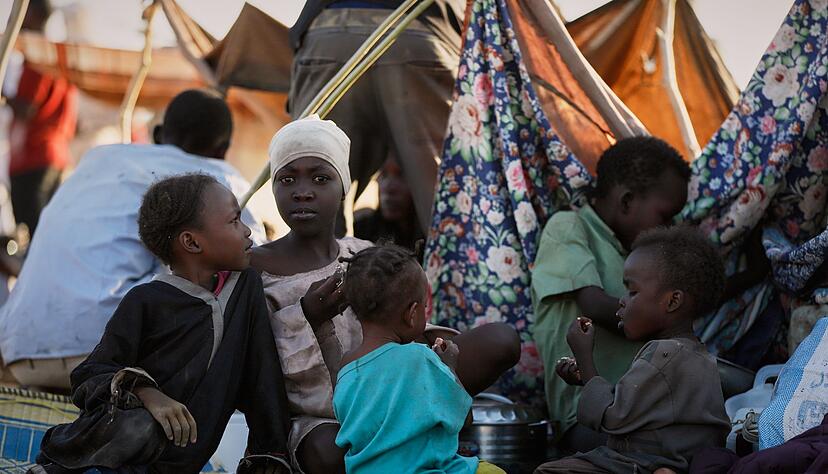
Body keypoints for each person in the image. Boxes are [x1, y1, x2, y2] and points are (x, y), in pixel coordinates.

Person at [252, 115, 519, 474]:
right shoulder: (255, 268)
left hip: (397, 389)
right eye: (287, 179)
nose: (303, 191)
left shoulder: (361, 252)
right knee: (328, 452)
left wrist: (438, 357)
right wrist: (309, 317)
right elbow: (256, 362)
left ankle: (415, 422)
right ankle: (413, 436)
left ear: (343, 187)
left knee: (500, 340)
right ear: (272, 188)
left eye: (320, 178)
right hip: (322, 416)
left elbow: (403, 327)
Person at [0, 89, 266, 391]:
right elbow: (252, 255)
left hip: (21, 350)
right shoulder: (214, 179)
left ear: (158, 134)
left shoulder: (97, 160)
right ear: (223, 150)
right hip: (107, 353)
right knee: (234, 279)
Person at [32, 175, 291, 473]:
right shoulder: (145, 301)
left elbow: (262, 372)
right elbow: (89, 374)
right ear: (191, 242)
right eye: (234, 221)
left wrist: (270, 452)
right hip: (126, 443)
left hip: (181, 457)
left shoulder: (245, 288)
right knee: (139, 426)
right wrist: (147, 393)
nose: (247, 231)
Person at [531, 137, 691, 451]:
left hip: (641, 410)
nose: (670, 229)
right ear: (627, 201)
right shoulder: (568, 227)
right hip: (586, 418)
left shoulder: (637, 253)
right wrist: (667, 318)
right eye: (665, 216)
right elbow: (592, 305)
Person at [535, 226, 731, 473]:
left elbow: (612, 416)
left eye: (632, 291)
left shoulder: (664, 354)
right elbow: (635, 406)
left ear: (672, 301)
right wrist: (585, 377)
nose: (622, 300)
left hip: (643, 465)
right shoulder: (695, 354)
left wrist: (585, 357)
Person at [289, 0, 464, 234]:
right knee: (443, 203)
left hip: (328, 31)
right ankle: (453, 252)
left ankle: (317, 255)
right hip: (425, 31)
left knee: (316, 191)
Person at [333, 243, 505, 474]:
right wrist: (449, 367)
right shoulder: (420, 357)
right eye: (424, 306)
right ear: (412, 314)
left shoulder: (346, 367)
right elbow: (465, 419)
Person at [5, 0, 78, 235]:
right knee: (46, 231)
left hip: (33, 157)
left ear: (33, 15)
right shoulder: (59, 59)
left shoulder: (38, 61)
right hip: (55, 157)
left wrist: (4, 95)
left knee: (32, 233)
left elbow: (27, 109)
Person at [354, 157, 424, 252]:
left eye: (401, 175)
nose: (388, 187)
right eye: (384, 174)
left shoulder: (433, 236)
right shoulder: (361, 234)